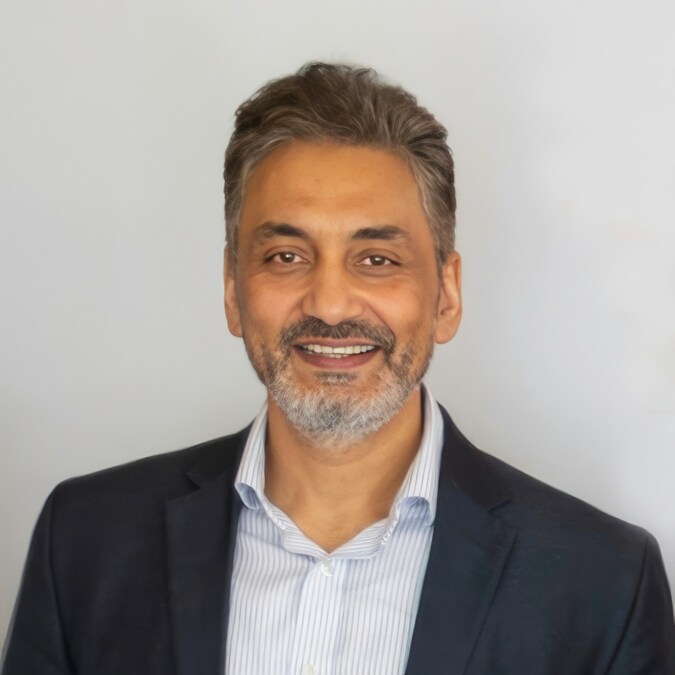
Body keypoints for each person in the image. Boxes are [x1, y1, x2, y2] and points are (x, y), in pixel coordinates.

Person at [2, 62, 674, 675]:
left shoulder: (602, 581)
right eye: (285, 257)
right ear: (234, 291)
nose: (327, 303)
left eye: (376, 259)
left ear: (445, 295)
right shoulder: (85, 541)